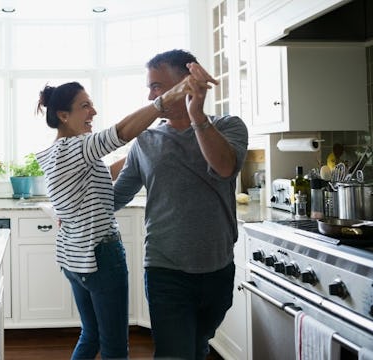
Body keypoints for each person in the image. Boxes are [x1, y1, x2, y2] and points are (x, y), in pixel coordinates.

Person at [34, 68, 216, 360]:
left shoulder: (58, 152)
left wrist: (139, 152)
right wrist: (165, 100)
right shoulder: (77, 147)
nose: (93, 110)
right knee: (115, 348)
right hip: (101, 256)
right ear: (63, 116)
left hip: (74, 258)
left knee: (91, 334)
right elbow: (119, 132)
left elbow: (100, 175)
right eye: (84, 106)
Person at [113, 49, 249, 360]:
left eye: (157, 86)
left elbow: (224, 167)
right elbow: (116, 197)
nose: (151, 95)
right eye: (150, 87)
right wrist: (72, 210)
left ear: (185, 83)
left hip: (218, 268)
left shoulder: (229, 126)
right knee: (175, 353)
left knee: (199, 345)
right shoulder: (146, 141)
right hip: (165, 270)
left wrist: (197, 115)